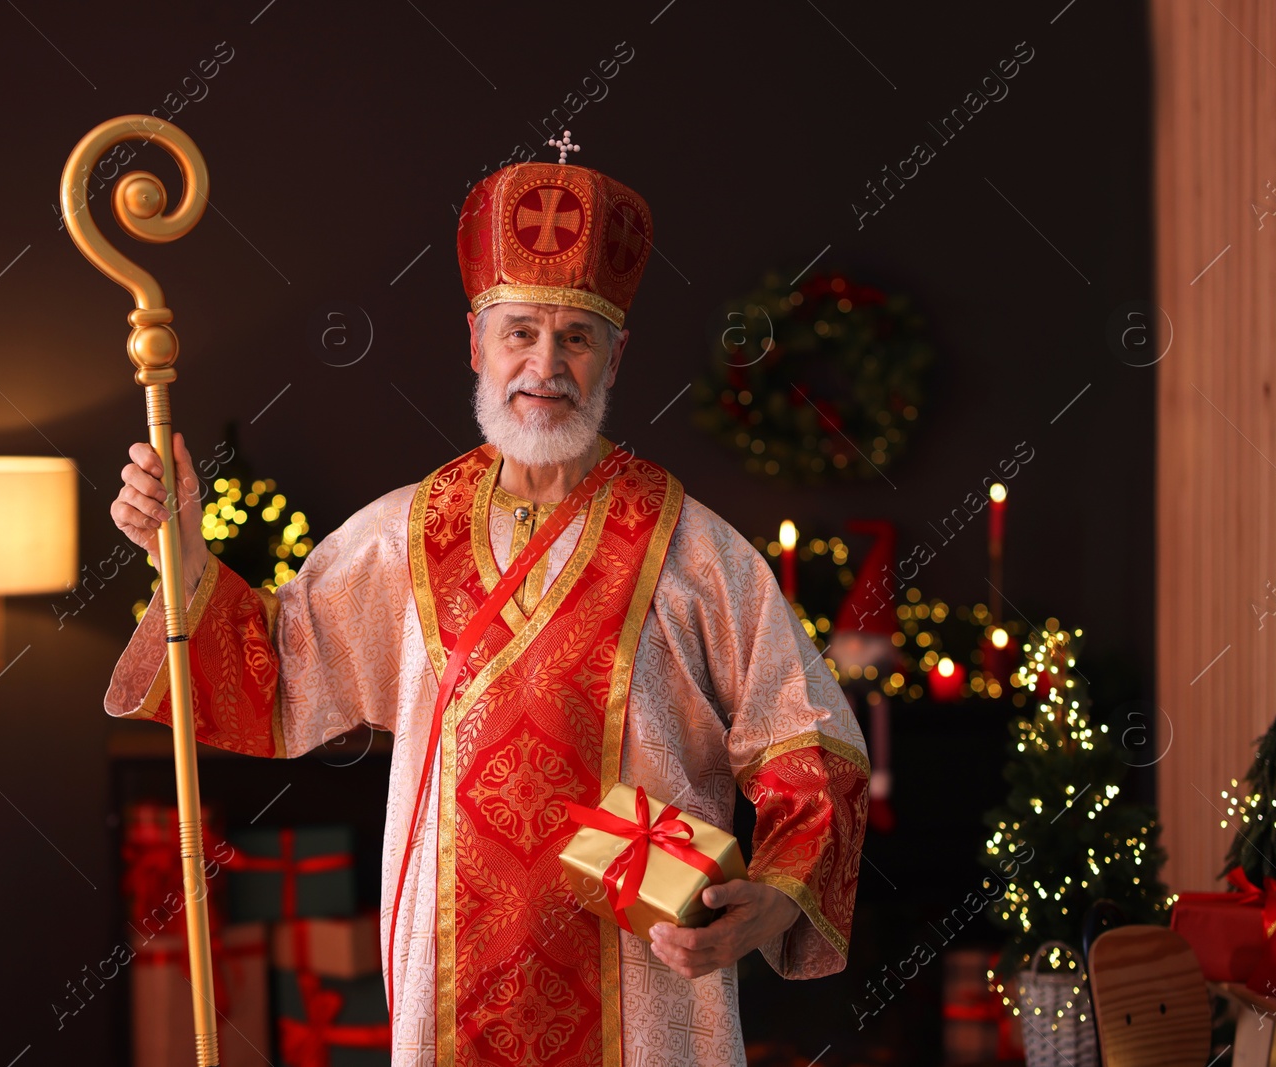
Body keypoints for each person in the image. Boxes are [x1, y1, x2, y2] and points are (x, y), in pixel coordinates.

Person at [106, 150, 869, 1066]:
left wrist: (772, 901)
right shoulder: (402, 535)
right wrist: (184, 549)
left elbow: (809, 741)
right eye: (519, 332)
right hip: (450, 982)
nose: (545, 365)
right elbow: (274, 670)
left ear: (615, 355)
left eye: (576, 338)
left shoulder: (698, 550)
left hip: (649, 977)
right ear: (476, 344)